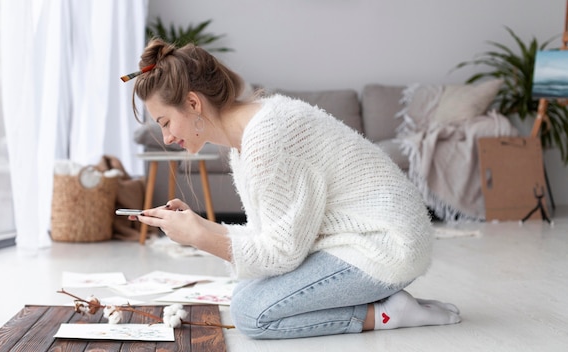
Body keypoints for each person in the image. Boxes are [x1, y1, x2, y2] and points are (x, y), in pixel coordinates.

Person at [123, 38, 461, 339]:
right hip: (356, 240)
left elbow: (282, 253)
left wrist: (200, 237)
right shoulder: (250, 135)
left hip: (386, 246)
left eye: (165, 122)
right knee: (244, 294)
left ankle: (387, 313)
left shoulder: (266, 139)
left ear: (194, 104)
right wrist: (202, 226)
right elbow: (270, 236)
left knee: (252, 315)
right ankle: (383, 300)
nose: (167, 138)